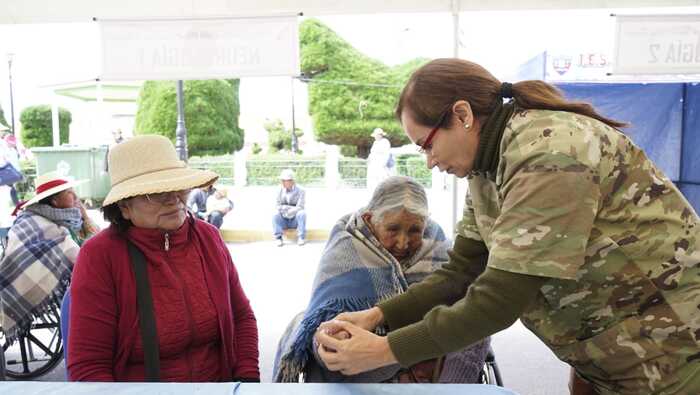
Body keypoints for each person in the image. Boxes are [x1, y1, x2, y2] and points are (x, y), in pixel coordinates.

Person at [314, 58, 700, 395]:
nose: (429, 161)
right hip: (612, 353)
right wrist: (377, 316)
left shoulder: (551, 153)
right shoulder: (487, 169)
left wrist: (383, 350)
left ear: (462, 116)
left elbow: (497, 301)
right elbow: (460, 273)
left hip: (672, 352)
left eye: (426, 145)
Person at [67, 135, 259, 382]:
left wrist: (247, 380)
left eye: (178, 187)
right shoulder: (100, 256)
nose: (173, 198)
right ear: (124, 207)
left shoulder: (208, 238)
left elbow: (241, 317)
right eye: (154, 193)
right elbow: (89, 365)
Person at [273, 176, 489, 384]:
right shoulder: (346, 246)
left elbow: (466, 307)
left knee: (473, 321)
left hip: (432, 363)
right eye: (393, 229)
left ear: (426, 223)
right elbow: (327, 321)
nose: (403, 242)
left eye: (415, 230)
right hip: (361, 371)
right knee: (329, 337)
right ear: (369, 220)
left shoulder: (437, 242)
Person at [0, 171, 96, 344]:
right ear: (55, 201)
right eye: (69, 193)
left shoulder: (71, 216)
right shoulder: (34, 221)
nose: (75, 196)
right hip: (24, 284)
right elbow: (75, 254)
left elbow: (93, 238)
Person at [273, 169, 306, 247]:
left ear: (292, 181)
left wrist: (287, 209)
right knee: (275, 214)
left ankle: (301, 237)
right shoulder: (279, 190)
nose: (282, 182)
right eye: (282, 180)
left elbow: (300, 206)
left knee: (302, 213)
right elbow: (277, 205)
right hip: (283, 219)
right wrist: (289, 208)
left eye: (285, 181)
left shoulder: (301, 191)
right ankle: (278, 238)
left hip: (294, 220)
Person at [366, 128, 394, 192]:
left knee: (382, 178)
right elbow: (372, 153)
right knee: (373, 178)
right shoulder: (375, 142)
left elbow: (387, 153)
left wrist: (384, 163)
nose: (376, 136)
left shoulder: (385, 142)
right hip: (373, 163)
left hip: (381, 163)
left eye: (377, 135)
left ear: (380, 135)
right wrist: (369, 159)